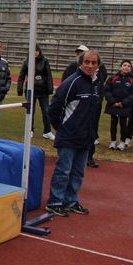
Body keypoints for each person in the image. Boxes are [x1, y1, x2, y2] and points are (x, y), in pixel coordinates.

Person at [45, 49, 103, 217]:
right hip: (69, 136)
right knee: (63, 170)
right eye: (87, 62)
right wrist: (62, 128)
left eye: (93, 63)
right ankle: (55, 201)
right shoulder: (72, 82)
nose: (90, 66)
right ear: (80, 63)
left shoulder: (97, 83)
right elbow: (54, 108)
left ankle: (70, 200)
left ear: (98, 65)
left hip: (86, 137)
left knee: (78, 171)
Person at [62, 45, 106, 167]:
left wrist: (98, 100)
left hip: (92, 108)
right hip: (74, 114)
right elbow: (60, 99)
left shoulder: (99, 73)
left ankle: (89, 156)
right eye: (79, 53)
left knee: (91, 130)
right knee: (65, 169)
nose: (89, 65)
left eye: (82, 52)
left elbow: (100, 87)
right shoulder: (71, 69)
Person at [17, 44, 54, 140]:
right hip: (31, 89)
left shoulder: (45, 61)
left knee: (46, 111)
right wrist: (20, 89)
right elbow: (21, 76)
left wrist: (50, 89)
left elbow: (49, 75)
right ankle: (30, 130)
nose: (35, 53)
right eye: (33, 50)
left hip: (43, 89)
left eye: (37, 51)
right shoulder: (26, 61)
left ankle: (47, 131)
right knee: (30, 111)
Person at [104, 60, 133, 151]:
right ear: (120, 67)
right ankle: (113, 141)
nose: (126, 67)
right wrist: (113, 102)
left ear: (130, 69)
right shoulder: (113, 78)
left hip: (125, 106)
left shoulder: (132, 81)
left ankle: (122, 142)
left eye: (128, 66)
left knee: (123, 124)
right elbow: (107, 90)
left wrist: (123, 103)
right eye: (124, 65)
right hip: (113, 105)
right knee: (113, 123)